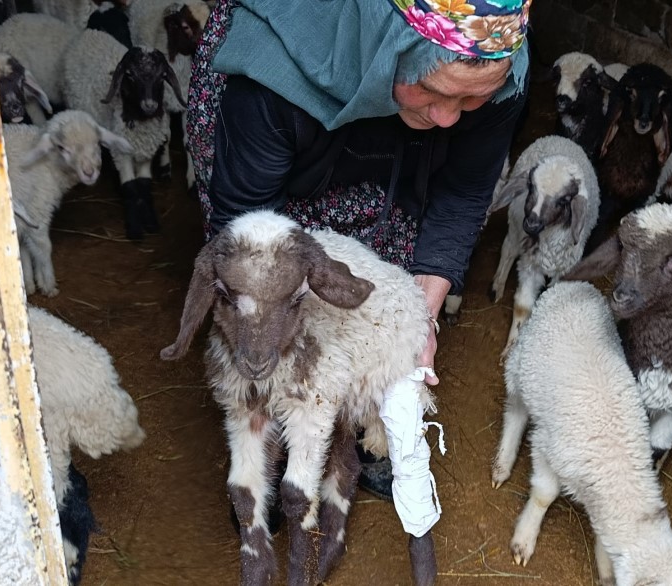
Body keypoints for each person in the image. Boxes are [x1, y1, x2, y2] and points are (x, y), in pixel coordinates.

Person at [183, 0, 530, 501]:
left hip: (393, 142)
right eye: (433, 89)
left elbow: (460, 194)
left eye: (471, 101)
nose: (448, 117)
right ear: (389, 43)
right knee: (272, 309)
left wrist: (416, 320)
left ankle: (360, 426)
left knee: (380, 276)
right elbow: (251, 239)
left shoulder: (497, 55)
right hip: (297, 114)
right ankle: (269, 455)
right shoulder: (267, 81)